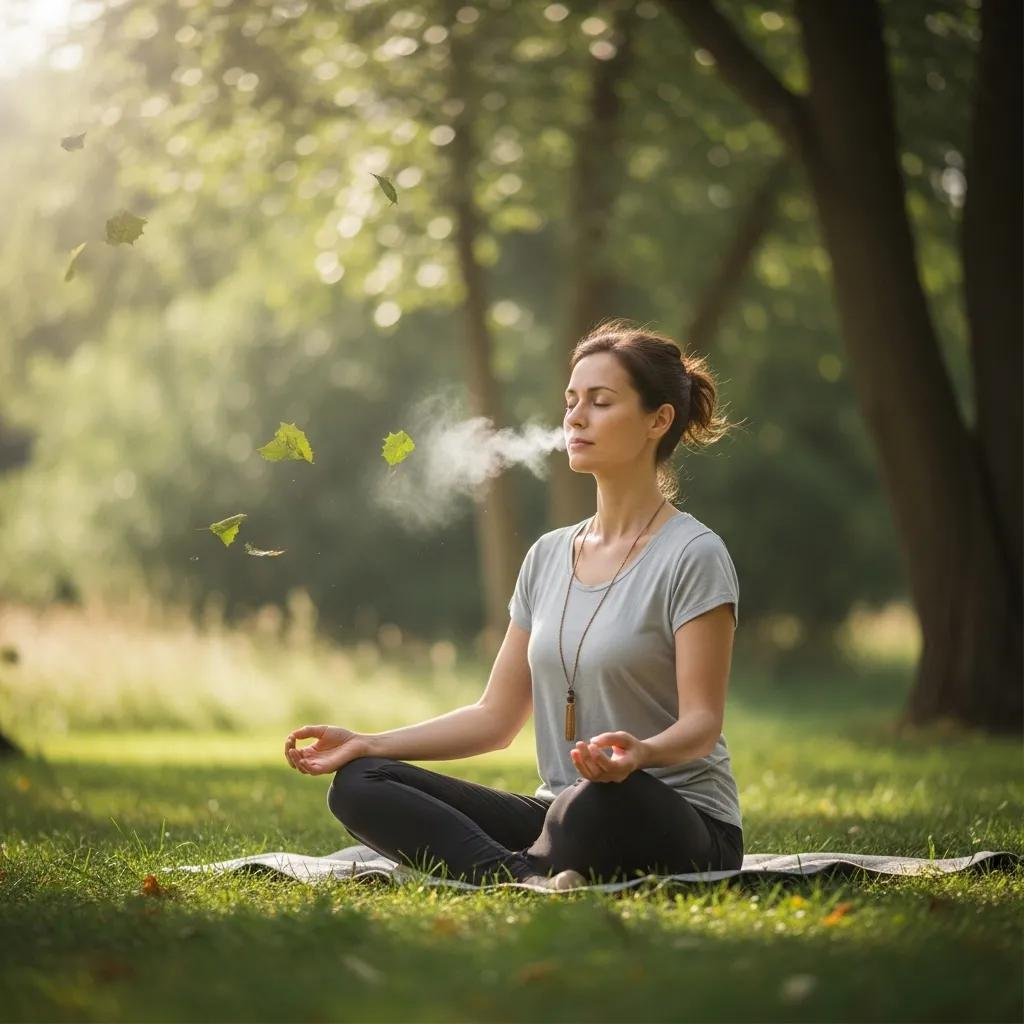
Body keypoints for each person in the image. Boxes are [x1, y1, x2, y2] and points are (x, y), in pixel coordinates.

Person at [284, 318, 745, 890]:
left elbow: (701, 725)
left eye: (600, 402)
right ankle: (525, 876)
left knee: (592, 805)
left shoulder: (694, 554)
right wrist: (368, 742)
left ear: (659, 420)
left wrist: (640, 755)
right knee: (361, 783)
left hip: (675, 818)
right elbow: (494, 719)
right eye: (571, 402)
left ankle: (517, 866)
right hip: (561, 810)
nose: (575, 417)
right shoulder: (547, 556)